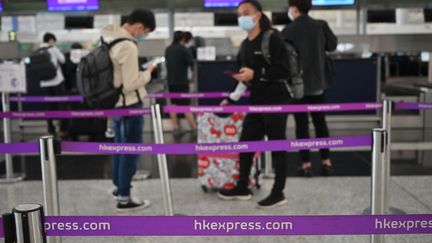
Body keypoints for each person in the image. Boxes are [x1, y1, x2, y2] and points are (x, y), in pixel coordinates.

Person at [217, 0, 292, 208]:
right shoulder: (245, 45)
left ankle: (278, 192)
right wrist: (231, 98)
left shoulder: (272, 39)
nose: (242, 17)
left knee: (277, 146)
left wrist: (256, 74)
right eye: (239, 14)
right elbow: (242, 76)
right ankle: (242, 186)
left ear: (258, 15)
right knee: (246, 144)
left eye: (246, 13)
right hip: (257, 101)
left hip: (277, 100)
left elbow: (284, 70)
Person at [102, 8, 157, 211]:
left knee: (119, 149)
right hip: (129, 105)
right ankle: (125, 198)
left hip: (115, 104)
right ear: (139, 26)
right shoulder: (128, 46)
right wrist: (149, 72)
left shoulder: (109, 37)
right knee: (130, 152)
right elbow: (131, 83)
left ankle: (119, 188)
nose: (144, 35)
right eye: (146, 32)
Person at [282, 0, 338, 177]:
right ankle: (326, 162)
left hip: (297, 86)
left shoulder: (288, 30)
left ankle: (306, 164)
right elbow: (332, 46)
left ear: (294, 9)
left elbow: (284, 58)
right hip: (318, 83)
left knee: (301, 124)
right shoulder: (320, 26)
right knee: (320, 122)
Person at [165, 31, 197, 137]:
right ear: (182, 39)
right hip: (182, 82)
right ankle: (194, 128)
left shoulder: (168, 49)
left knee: (174, 105)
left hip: (171, 82)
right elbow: (192, 64)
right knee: (185, 105)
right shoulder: (184, 50)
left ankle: (176, 128)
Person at [40, 33, 68, 138]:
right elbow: (63, 60)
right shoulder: (53, 49)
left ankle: (50, 130)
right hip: (57, 81)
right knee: (62, 105)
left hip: (44, 83)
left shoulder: (38, 50)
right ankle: (62, 129)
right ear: (51, 40)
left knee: (48, 107)